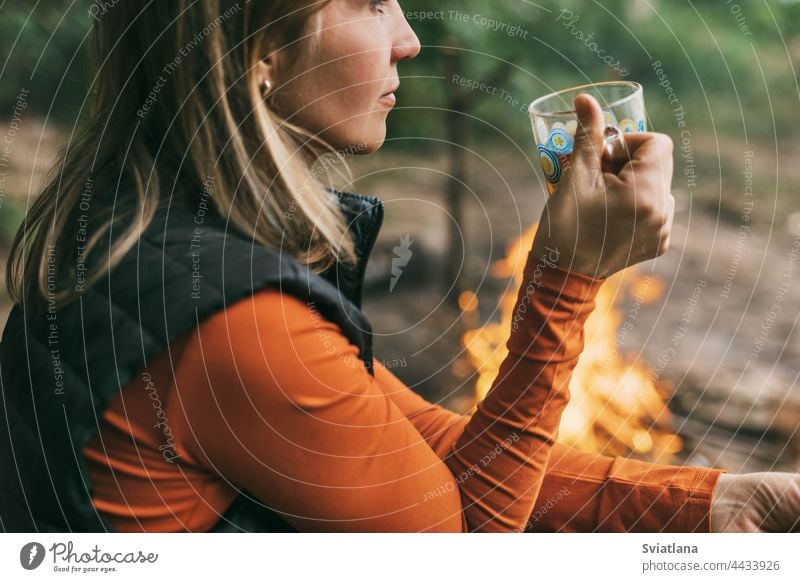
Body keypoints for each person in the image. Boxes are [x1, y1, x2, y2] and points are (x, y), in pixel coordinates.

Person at [1, 0, 798, 533]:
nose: (408, 37)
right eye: (372, 1)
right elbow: (457, 551)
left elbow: (427, 448)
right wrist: (567, 277)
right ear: (261, 50)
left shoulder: (149, 241)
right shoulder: (236, 325)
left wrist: (708, 504)